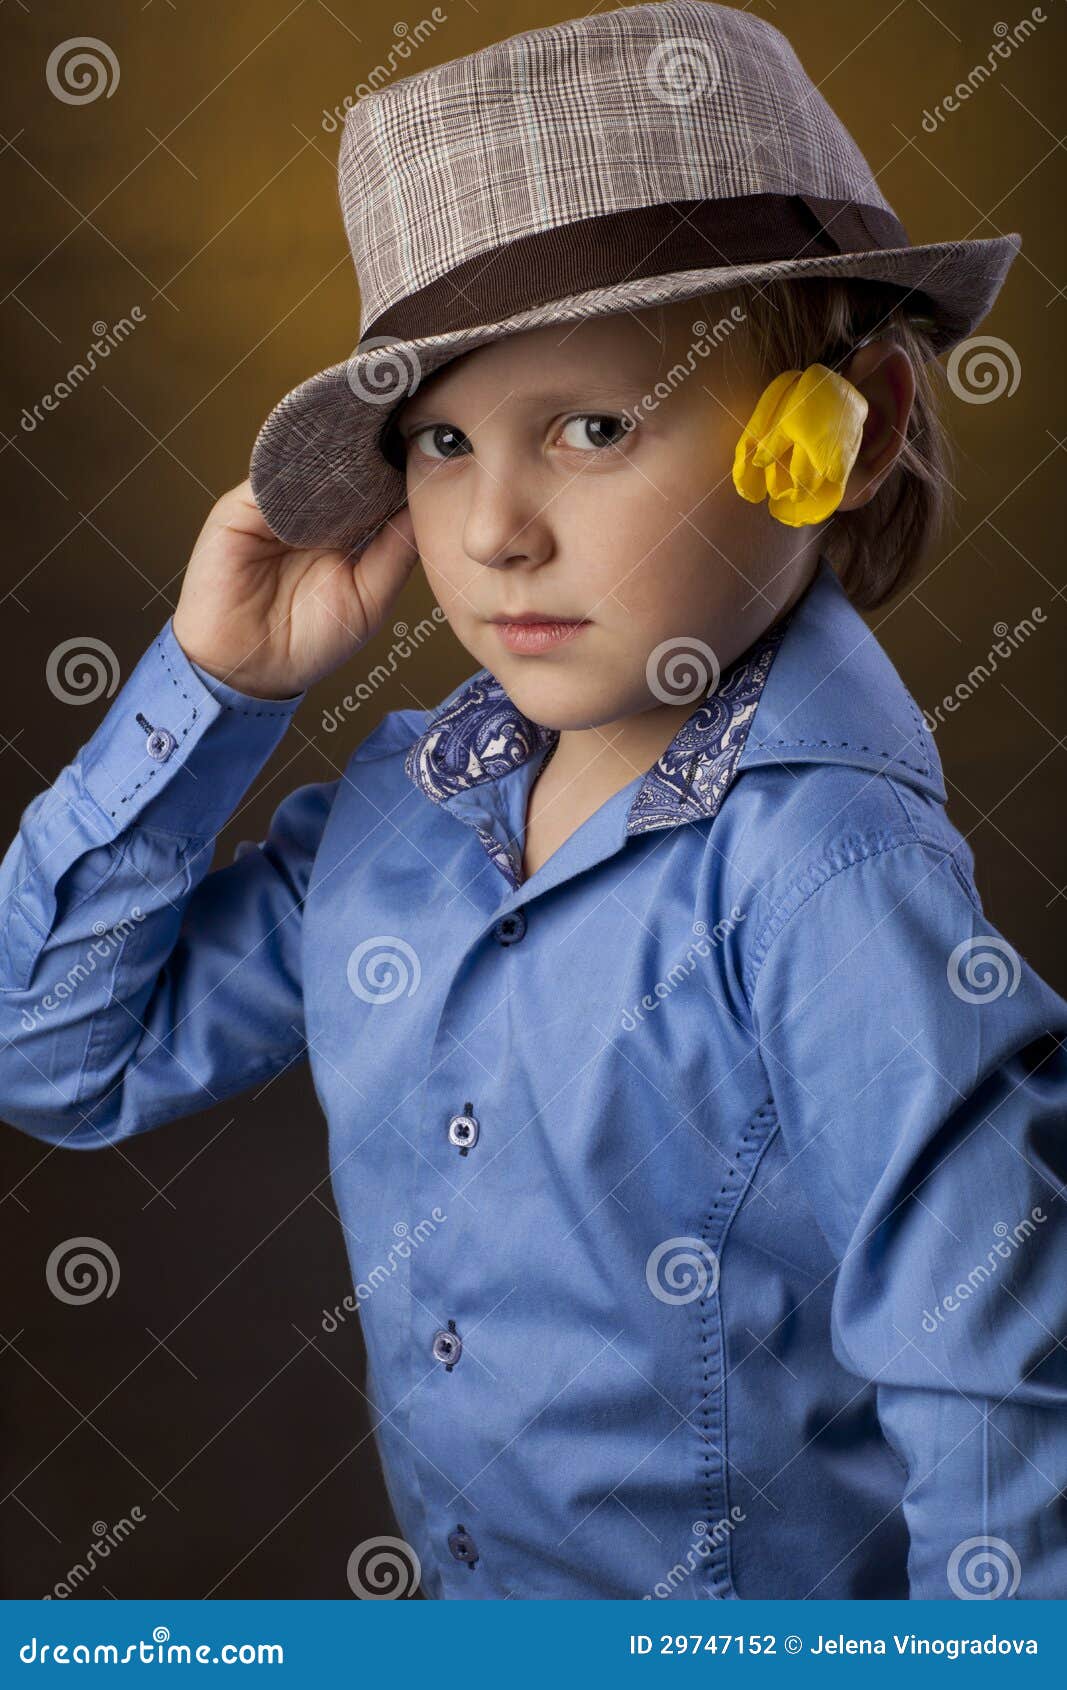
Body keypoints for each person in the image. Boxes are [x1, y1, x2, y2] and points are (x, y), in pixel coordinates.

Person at [2, 0, 1064, 1601]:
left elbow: (1004, 1424)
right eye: (438, 439)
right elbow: (55, 1051)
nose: (493, 528)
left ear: (836, 438)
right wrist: (217, 686)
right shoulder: (408, 808)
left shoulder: (828, 875)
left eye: (592, 427)